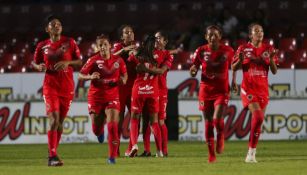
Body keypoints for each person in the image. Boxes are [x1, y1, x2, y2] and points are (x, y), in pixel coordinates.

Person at [32, 15, 82, 166]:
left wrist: (67, 62)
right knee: (54, 119)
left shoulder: (70, 42)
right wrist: (38, 66)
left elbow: (79, 61)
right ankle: (52, 156)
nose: (56, 26)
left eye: (59, 24)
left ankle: (52, 150)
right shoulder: (42, 45)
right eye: (53, 25)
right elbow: (34, 62)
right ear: (47, 29)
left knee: (59, 123)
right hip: (50, 86)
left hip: (67, 88)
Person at [231, 23, 278, 163]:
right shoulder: (243, 48)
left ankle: (251, 153)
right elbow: (233, 67)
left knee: (258, 122)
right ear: (250, 35)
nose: (260, 33)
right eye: (256, 31)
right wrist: (240, 60)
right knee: (257, 117)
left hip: (263, 90)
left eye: (262, 31)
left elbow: (274, 71)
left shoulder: (268, 48)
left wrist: (270, 60)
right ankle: (251, 153)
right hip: (248, 89)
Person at [78, 34, 128, 164]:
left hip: (112, 97)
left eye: (105, 44)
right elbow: (80, 75)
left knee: (112, 126)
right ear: (97, 47)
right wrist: (90, 77)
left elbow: (125, 76)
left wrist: (123, 80)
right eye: (100, 45)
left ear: (110, 46)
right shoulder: (93, 60)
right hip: (96, 98)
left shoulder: (118, 61)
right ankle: (99, 132)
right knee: (96, 129)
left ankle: (112, 157)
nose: (103, 47)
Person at [189, 25, 234, 163]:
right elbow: (194, 67)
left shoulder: (228, 51)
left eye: (215, 35)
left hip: (221, 90)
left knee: (216, 119)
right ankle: (211, 154)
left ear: (220, 36)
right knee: (208, 121)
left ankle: (220, 134)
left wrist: (235, 82)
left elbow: (235, 67)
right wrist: (193, 70)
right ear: (205, 37)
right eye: (209, 35)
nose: (212, 37)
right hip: (206, 89)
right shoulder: (201, 51)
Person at [128, 35, 166, 157]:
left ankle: (134, 145)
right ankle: (159, 151)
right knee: (154, 121)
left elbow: (130, 60)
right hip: (153, 90)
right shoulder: (160, 56)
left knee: (134, 118)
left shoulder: (137, 55)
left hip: (139, 89)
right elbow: (161, 70)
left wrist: (133, 53)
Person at [141, 31, 174, 157]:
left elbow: (161, 71)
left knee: (160, 121)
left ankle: (163, 150)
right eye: (155, 38)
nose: (156, 40)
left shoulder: (168, 55)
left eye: (159, 38)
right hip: (147, 88)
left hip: (161, 90)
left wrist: (146, 67)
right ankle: (147, 150)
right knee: (146, 120)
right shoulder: (149, 52)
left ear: (165, 41)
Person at [112, 25, 137, 155]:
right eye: (126, 32)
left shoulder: (138, 48)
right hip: (121, 85)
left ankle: (131, 148)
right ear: (122, 37)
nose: (129, 34)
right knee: (119, 117)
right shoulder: (118, 47)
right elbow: (110, 57)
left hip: (134, 85)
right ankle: (115, 149)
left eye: (131, 32)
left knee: (135, 115)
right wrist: (124, 50)